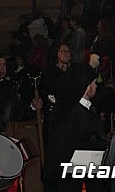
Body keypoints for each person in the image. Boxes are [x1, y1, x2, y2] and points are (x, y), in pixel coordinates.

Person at [43, 64, 108, 192]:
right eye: (94, 83)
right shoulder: (72, 113)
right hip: (74, 181)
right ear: (86, 86)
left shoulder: (78, 109)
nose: (96, 86)